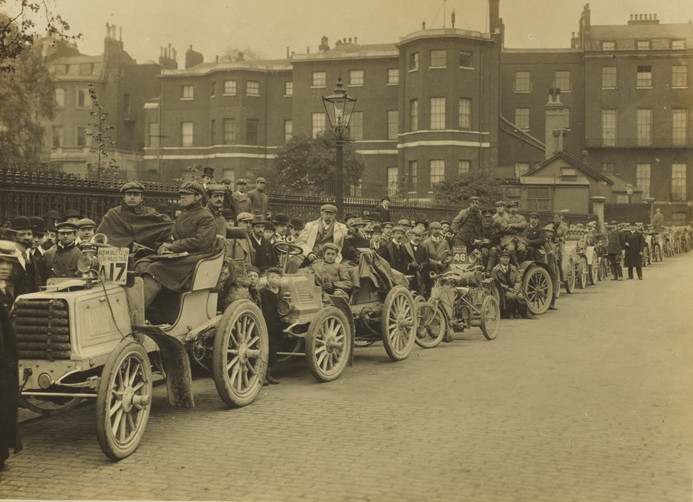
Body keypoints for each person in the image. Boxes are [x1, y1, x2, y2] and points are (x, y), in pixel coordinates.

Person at [135, 181, 219, 308]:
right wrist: (165, 247)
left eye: (187, 194)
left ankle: (138, 313)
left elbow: (200, 243)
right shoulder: (183, 215)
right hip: (181, 255)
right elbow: (173, 237)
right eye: (181, 194)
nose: (182, 197)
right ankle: (153, 309)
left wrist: (173, 246)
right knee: (142, 263)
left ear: (198, 196)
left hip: (196, 258)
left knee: (155, 269)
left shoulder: (206, 217)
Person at [97, 181, 172, 252]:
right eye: (129, 194)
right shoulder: (113, 214)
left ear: (142, 198)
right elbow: (100, 237)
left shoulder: (150, 213)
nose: (132, 197)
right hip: (117, 254)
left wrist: (164, 245)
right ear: (124, 197)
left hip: (145, 255)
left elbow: (169, 227)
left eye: (136, 194)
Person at [0, 241, 22, 468]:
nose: (5, 267)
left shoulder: (8, 289)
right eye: (0, 262)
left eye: (9, 263)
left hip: (5, 358)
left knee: (5, 405)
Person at [291, 204, 348, 270]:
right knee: (294, 264)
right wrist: (309, 253)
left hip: (331, 258)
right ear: (321, 213)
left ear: (335, 215)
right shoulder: (310, 225)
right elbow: (300, 242)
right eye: (326, 213)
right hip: (311, 257)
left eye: (331, 214)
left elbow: (349, 236)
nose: (328, 216)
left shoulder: (341, 227)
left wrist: (355, 232)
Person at [259, 267, 283, 385]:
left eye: (277, 278)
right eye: (272, 277)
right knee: (264, 348)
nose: (275, 280)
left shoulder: (280, 292)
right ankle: (262, 374)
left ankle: (269, 372)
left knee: (273, 348)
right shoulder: (263, 292)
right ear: (267, 279)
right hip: (266, 322)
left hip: (276, 323)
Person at [491, 250, 522, 318]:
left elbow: (518, 280)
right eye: (504, 258)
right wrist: (507, 288)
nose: (506, 259)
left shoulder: (513, 268)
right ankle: (508, 313)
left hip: (514, 289)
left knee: (521, 297)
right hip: (502, 290)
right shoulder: (495, 270)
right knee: (511, 296)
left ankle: (520, 313)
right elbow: (496, 283)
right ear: (500, 259)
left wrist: (515, 289)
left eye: (507, 258)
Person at [404, 226, 430, 296]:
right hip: (409, 274)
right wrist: (410, 264)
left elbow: (427, 260)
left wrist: (422, 265)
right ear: (411, 235)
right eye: (416, 235)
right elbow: (403, 260)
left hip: (421, 275)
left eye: (419, 236)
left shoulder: (423, 248)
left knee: (420, 293)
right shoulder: (405, 246)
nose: (417, 238)